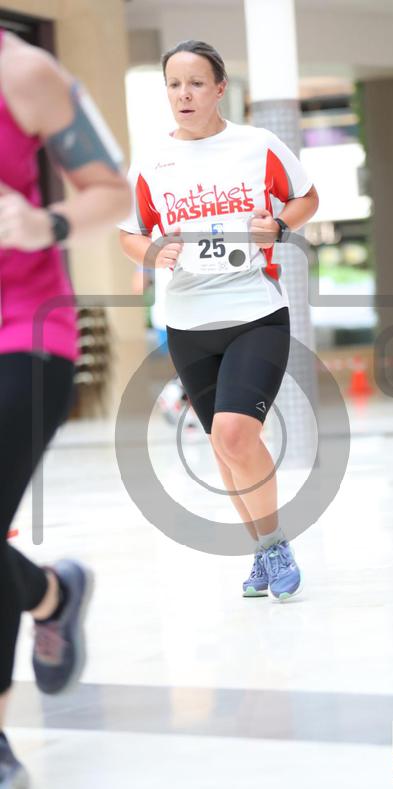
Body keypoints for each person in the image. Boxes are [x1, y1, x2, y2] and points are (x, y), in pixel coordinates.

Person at [119, 40, 319, 601]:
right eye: (174, 84)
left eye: (196, 83)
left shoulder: (257, 144)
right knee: (222, 446)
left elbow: (306, 198)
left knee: (235, 433)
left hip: (255, 311)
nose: (184, 94)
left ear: (220, 88)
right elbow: (130, 233)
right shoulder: (151, 161)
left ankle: (274, 543)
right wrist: (151, 252)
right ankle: (262, 551)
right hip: (187, 322)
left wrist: (279, 227)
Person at [0, 29, 131, 787]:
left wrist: (43, 224)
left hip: (25, 331)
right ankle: (52, 593)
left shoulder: (24, 72)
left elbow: (111, 190)